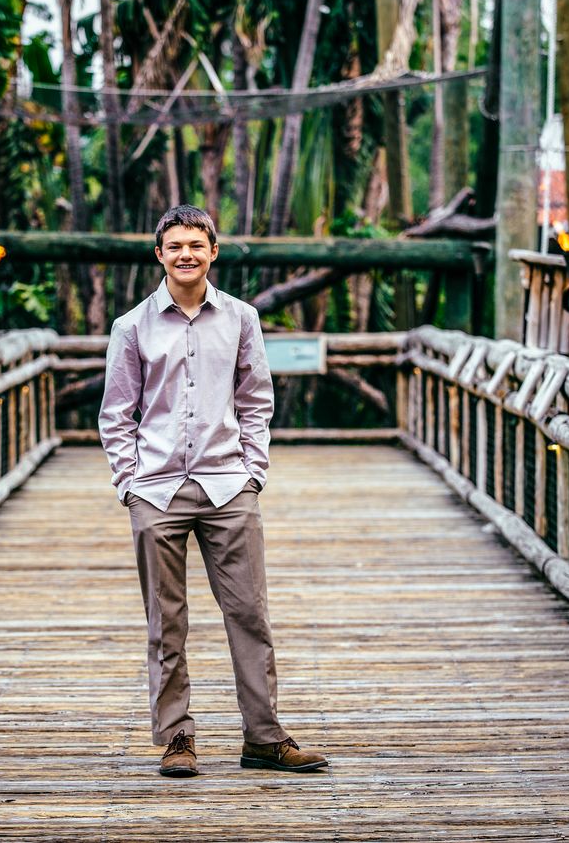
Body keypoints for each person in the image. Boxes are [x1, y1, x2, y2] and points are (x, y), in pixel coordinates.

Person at [98, 204, 328, 778]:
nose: (186, 254)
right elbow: (117, 414)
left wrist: (254, 471)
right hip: (156, 488)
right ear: (160, 254)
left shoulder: (242, 319)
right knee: (165, 620)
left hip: (229, 485)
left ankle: (265, 737)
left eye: (196, 245)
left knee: (249, 612)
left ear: (213, 252)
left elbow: (256, 400)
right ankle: (177, 738)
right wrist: (129, 483)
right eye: (175, 245)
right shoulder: (131, 327)